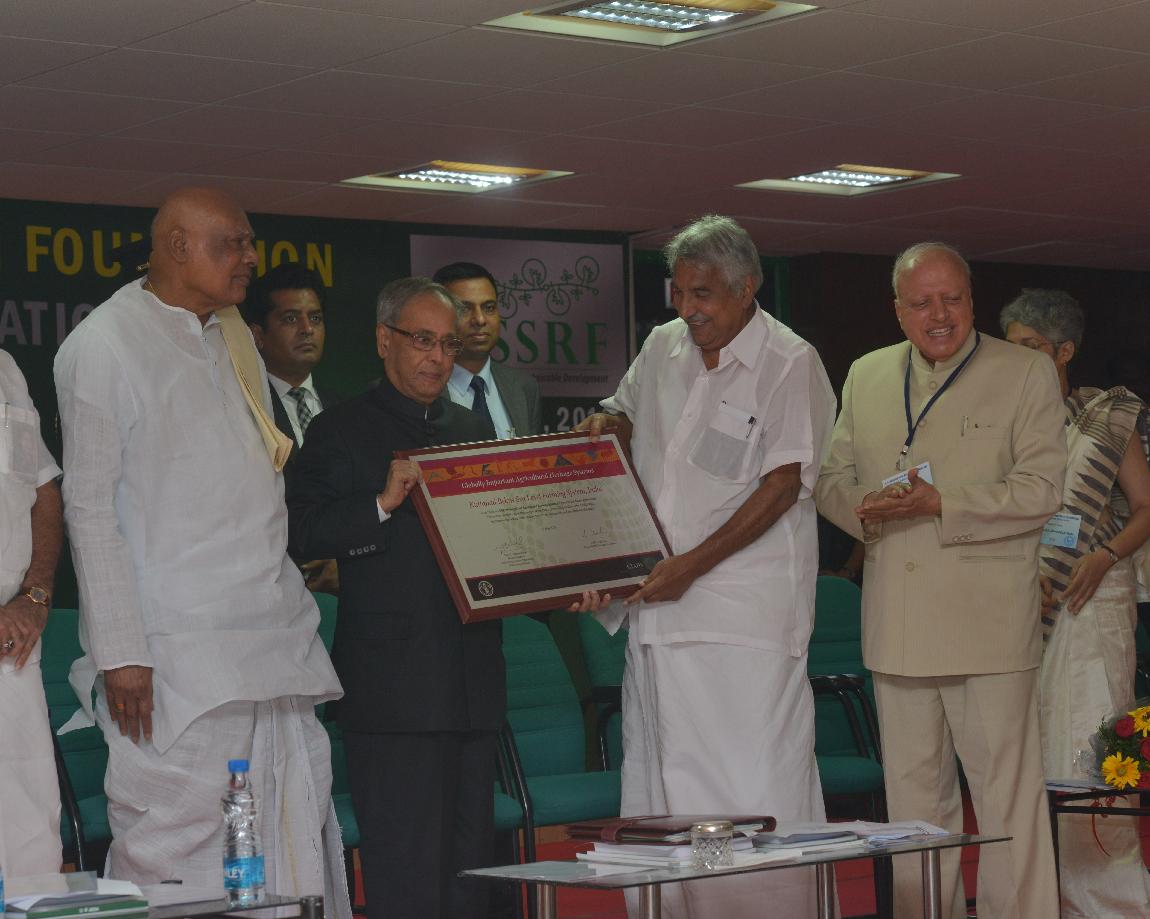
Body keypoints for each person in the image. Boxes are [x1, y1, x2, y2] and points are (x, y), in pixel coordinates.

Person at [53, 187, 348, 913]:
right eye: (232, 243)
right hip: (172, 653)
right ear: (177, 247)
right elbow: (88, 507)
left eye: (250, 243)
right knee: (176, 840)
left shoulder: (234, 332)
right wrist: (121, 650)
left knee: (291, 823)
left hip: (272, 636)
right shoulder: (102, 345)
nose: (249, 257)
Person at [577, 215, 836, 918]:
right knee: (666, 788)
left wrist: (690, 566)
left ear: (747, 287)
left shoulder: (790, 360)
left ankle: (759, 909)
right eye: (679, 291)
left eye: (703, 294)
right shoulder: (663, 345)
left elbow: (783, 485)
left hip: (742, 624)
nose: (687, 308)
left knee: (750, 789)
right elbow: (622, 410)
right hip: (659, 619)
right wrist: (607, 427)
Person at [815, 242, 1066, 919]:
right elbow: (831, 477)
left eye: (952, 298)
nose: (939, 315)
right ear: (898, 310)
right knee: (915, 806)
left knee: (1006, 799)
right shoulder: (867, 373)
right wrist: (863, 507)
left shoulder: (1025, 372)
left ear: (972, 301)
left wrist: (943, 503)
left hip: (988, 627)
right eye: (922, 302)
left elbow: (1042, 488)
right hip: (897, 622)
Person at [288, 277, 502, 919]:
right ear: (385, 340)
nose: (438, 357)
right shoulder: (340, 429)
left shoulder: (473, 428)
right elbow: (300, 531)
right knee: (406, 875)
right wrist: (379, 504)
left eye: (449, 344)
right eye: (422, 341)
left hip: (473, 684)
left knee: (475, 875)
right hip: (394, 693)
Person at [1000, 288, 1150, 918]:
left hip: (1094, 601)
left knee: (1091, 753)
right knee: (1031, 759)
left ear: (1065, 351)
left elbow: (1145, 509)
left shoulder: (1105, 417)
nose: (1020, 360)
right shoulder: (1004, 422)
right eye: (1012, 348)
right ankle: (1045, 901)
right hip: (1023, 606)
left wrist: (1104, 555)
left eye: (1032, 347)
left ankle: (1111, 905)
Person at [0, 349, 64, 877]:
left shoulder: (5, 372)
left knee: (30, 843)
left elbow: (43, 492)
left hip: (13, 640)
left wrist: (36, 595)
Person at [244, 262, 338, 593]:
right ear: (257, 335)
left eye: (315, 318)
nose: (307, 329)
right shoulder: (245, 411)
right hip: (272, 585)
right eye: (290, 319)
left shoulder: (347, 409)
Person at [433, 261, 543, 438]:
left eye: (489, 308)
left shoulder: (523, 388)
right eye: (464, 309)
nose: (480, 319)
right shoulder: (421, 388)